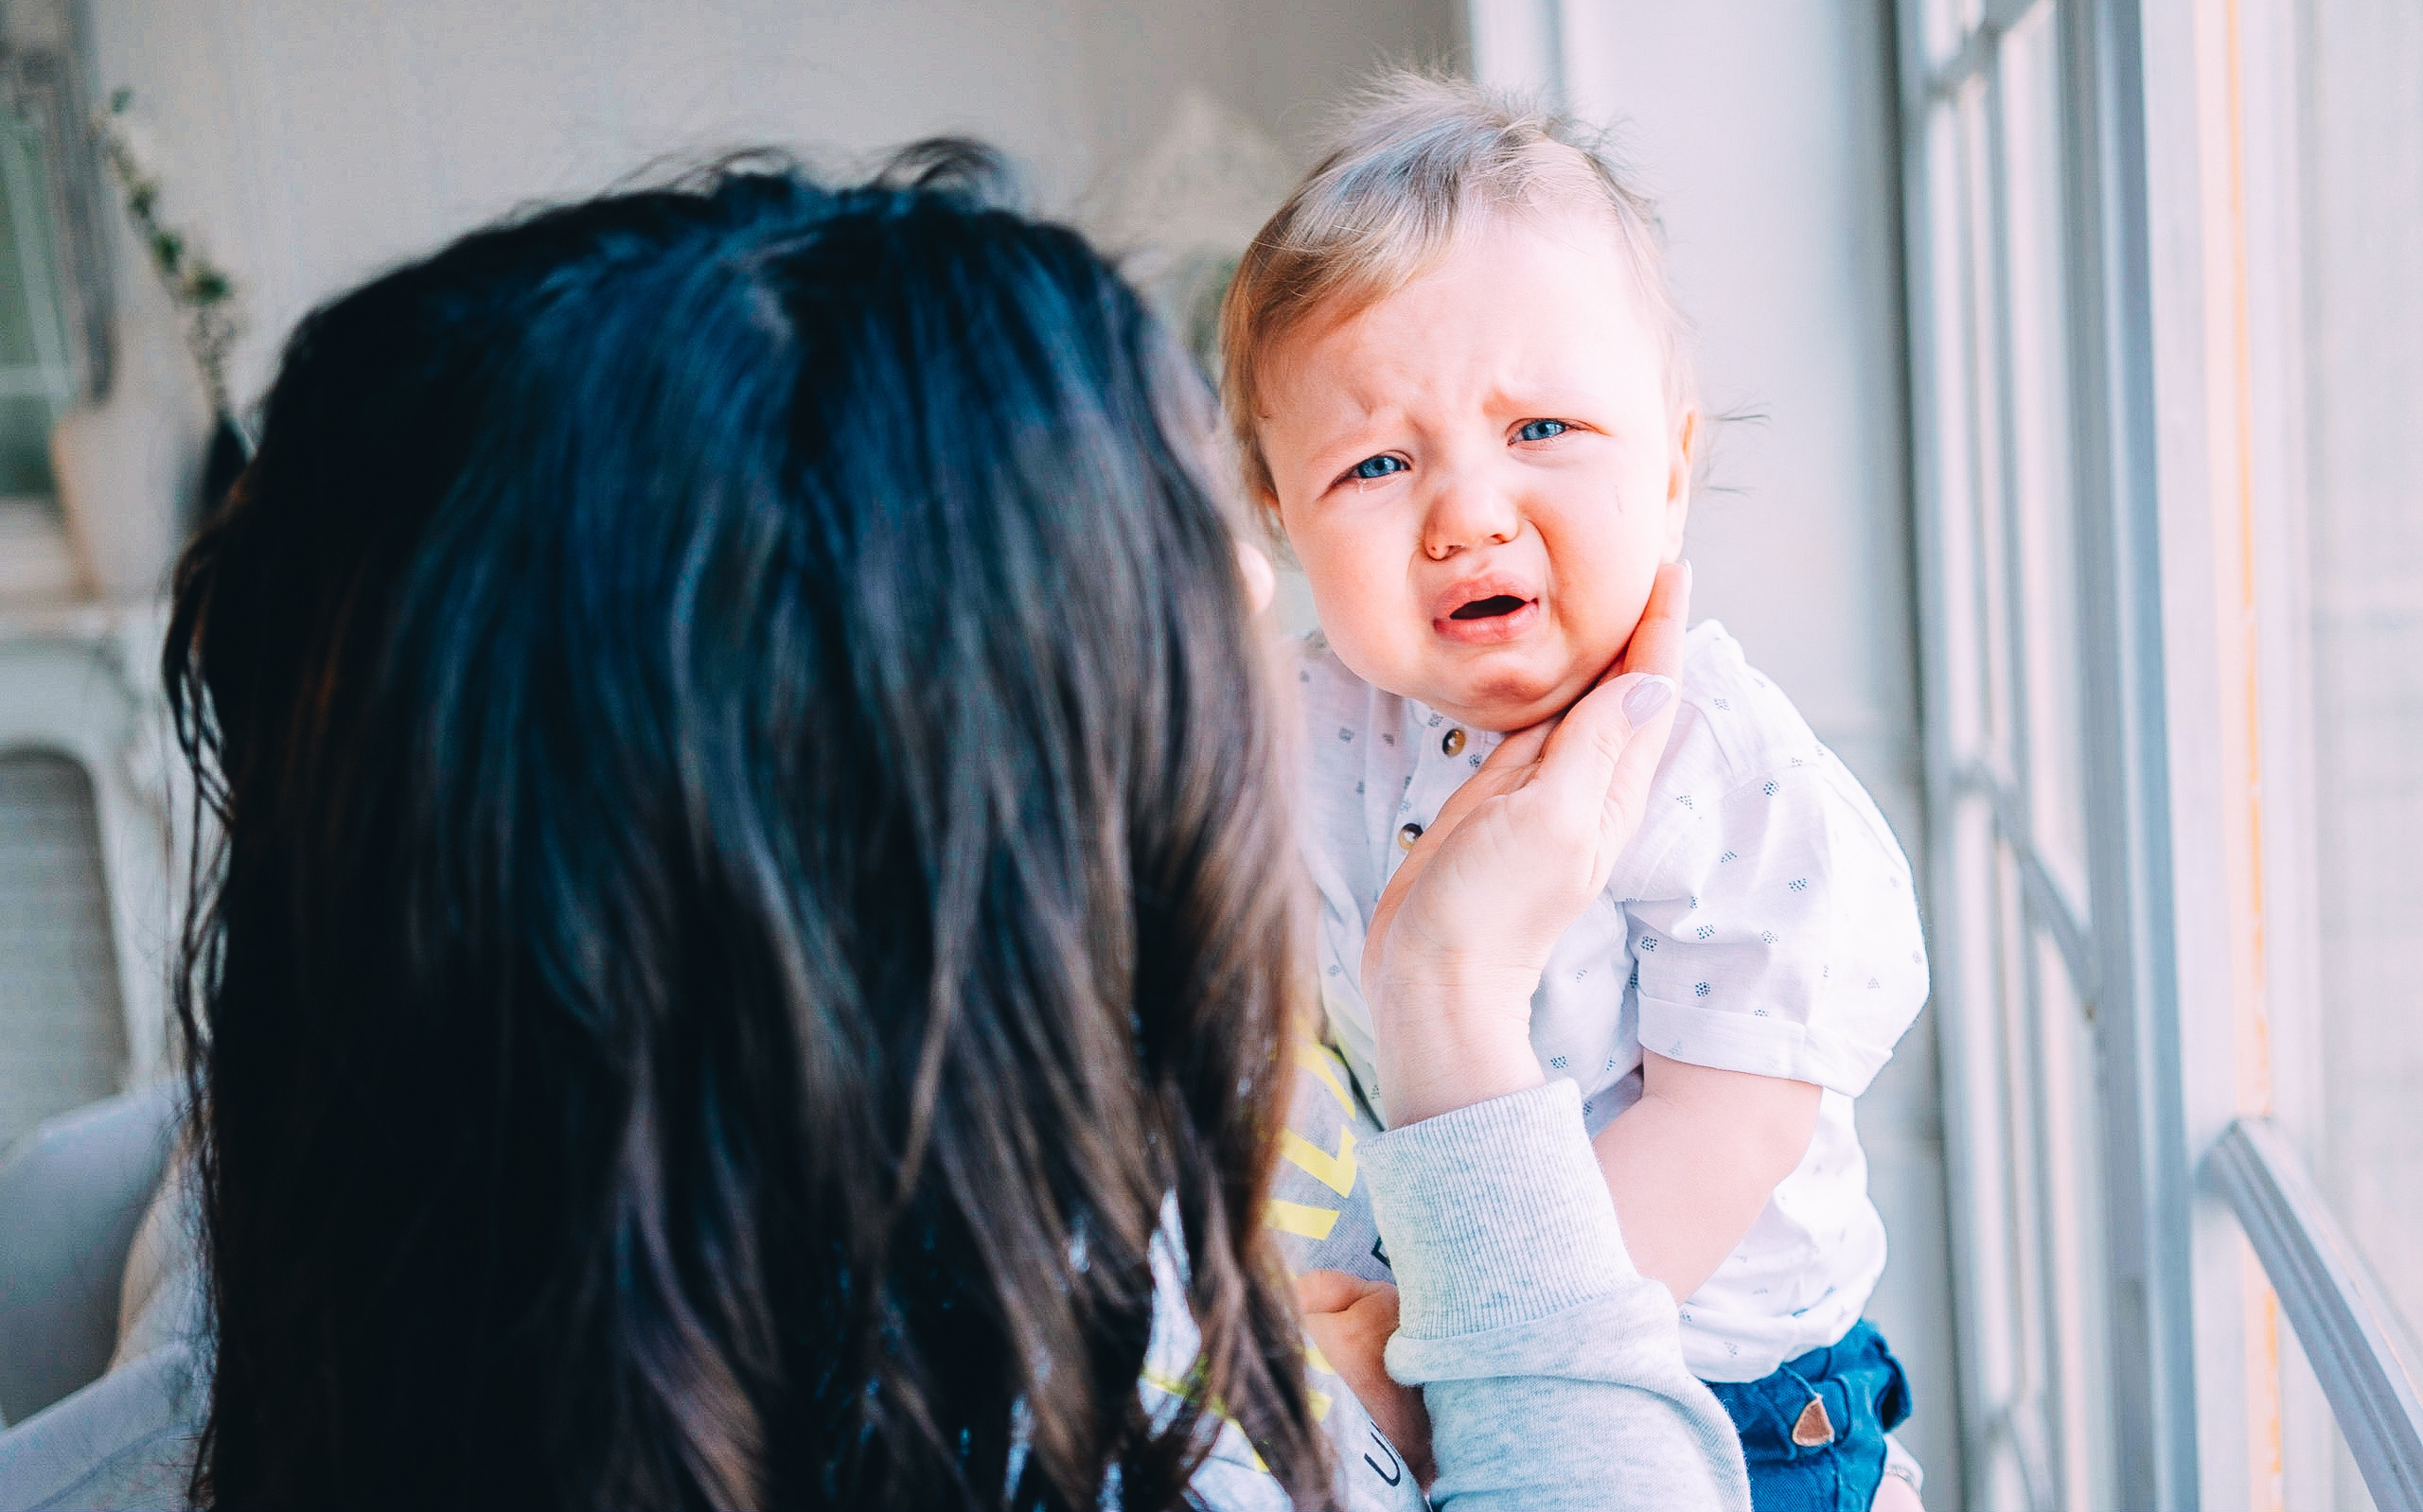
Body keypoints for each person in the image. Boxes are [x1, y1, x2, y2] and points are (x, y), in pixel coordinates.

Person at [0, 146, 1746, 1510]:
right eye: (1185, 550)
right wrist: (1455, 1023)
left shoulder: (269, 1176)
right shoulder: (1079, 1446)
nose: (1250, 589)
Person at [1218, 75, 1931, 1512]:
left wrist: (1444, 1364)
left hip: (1731, 1393)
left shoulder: (1732, 780)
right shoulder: (1307, 716)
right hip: (1412, 1329)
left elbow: (1722, 1130)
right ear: (1281, 518)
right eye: (1376, 462)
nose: (1467, 510)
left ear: (1675, 467)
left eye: (1541, 431)